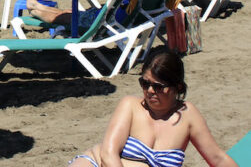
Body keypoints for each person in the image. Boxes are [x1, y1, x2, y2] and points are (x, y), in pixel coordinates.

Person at [69, 47, 237, 167]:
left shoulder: (188, 116)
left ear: (177, 87)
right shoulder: (130, 106)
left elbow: (218, 159)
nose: (150, 91)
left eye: (158, 86)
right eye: (145, 83)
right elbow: (108, 155)